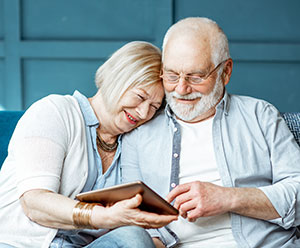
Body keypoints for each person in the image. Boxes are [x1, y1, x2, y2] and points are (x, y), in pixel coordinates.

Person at [121, 17, 300, 247]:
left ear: (226, 72)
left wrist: (227, 197)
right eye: (172, 75)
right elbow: (132, 215)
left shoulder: (260, 115)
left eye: (196, 77)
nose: (181, 89)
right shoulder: (139, 132)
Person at [0, 41, 177, 248]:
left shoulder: (133, 145)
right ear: (116, 79)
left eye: (154, 107)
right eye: (140, 97)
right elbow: (34, 203)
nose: (143, 113)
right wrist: (103, 216)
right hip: (20, 243)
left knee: (134, 237)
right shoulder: (55, 111)